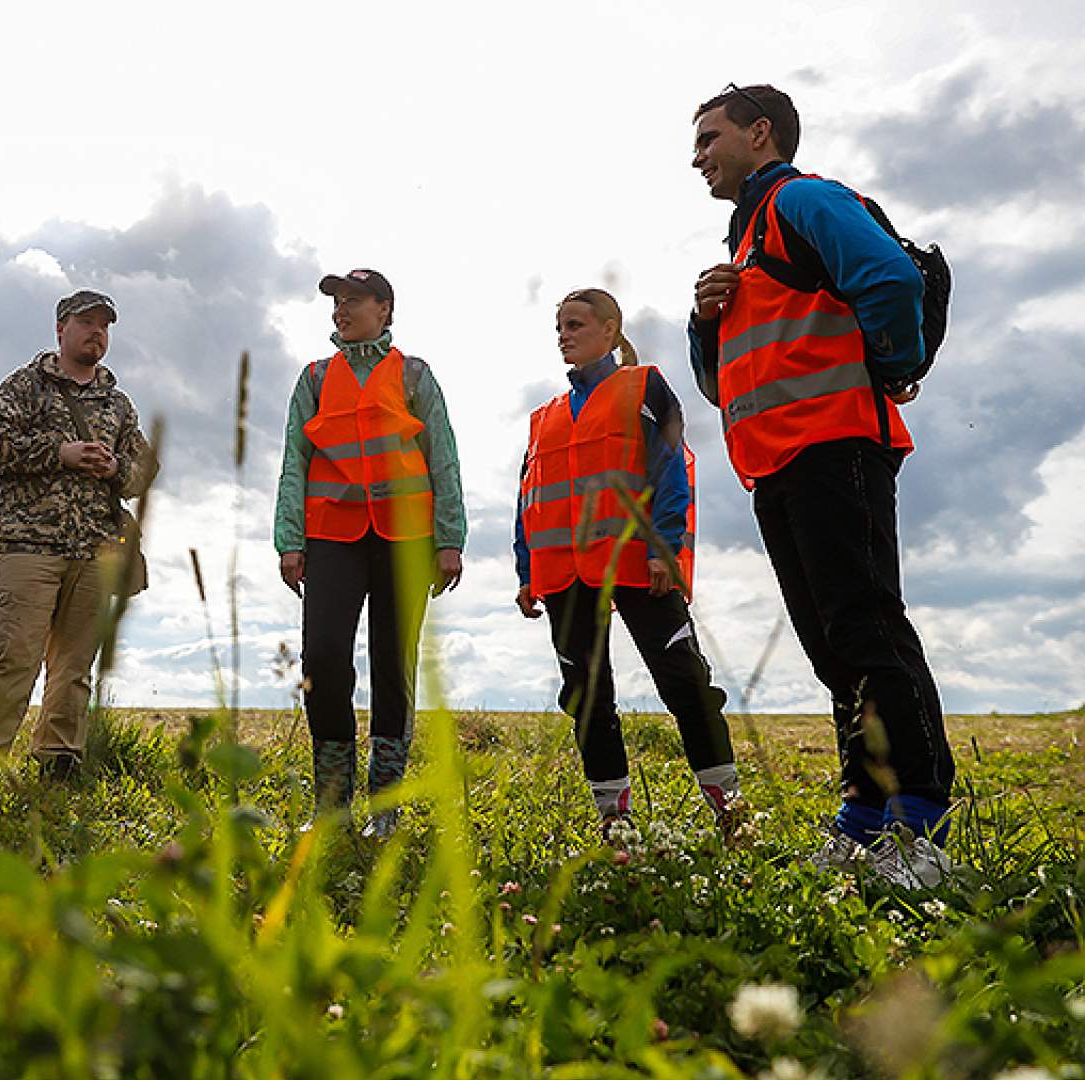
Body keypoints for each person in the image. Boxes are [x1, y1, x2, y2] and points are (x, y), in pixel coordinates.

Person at [687, 84, 954, 885]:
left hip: (836, 447)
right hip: (777, 462)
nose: (697, 157)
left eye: (710, 138)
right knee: (836, 647)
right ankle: (867, 820)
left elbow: (891, 281)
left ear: (760, 133)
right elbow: (718, 386)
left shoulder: (804, 200)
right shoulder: (744, 249)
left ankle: (922, 833)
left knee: (867, 630)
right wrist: (706, 322)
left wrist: (897, 366)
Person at [515, 288, 740, 840]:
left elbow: (670, 472)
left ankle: (731, 812)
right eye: (559, 326)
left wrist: (665, 548)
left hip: (638, 561)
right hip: (563, 571)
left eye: (576, 324)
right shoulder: (543, 416)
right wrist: (526, 572)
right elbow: (527, 497)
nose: (564, 334)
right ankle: (616, 823)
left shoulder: (646, 388)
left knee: (686, 682)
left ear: (611, 330)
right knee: (588, 698)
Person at [274, 268, 465, 838]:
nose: (341, 309)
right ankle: (331, 806)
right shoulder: (313, 376)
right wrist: (289, 540)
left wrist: (448, 538)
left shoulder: (414, 375)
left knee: (393, 665)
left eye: (353, 300)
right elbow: (293, 461)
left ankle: (385, 807)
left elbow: (443, 456)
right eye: (336, 301)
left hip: (406, 539)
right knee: (324, 660)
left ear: (385, 308)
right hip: (332, 536)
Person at [0, 290, 154, 774]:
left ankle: (58, 762)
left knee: (74, 669)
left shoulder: (118, 402)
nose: (97, 332)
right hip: (29, 544)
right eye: (86, 322)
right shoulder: (26, 385)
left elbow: (144, 471)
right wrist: (60, 453)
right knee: (13, 659)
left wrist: (115, 467)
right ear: (60, 330)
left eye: (104, 325)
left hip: (96, 548)